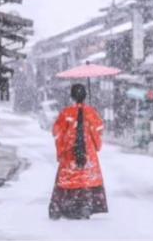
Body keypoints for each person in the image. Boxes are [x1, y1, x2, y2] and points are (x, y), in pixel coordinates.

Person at [49, 83, 108, 219]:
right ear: (85, 96)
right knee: (86, 179)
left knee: (69, 179)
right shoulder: (92, 113)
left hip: (70, 154)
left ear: (72, 96)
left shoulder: (66, 113)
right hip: (88, 155)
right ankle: (85, 206)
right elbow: (98, 135)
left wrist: (61, 151)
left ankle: (69, 207)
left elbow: (58, 134)